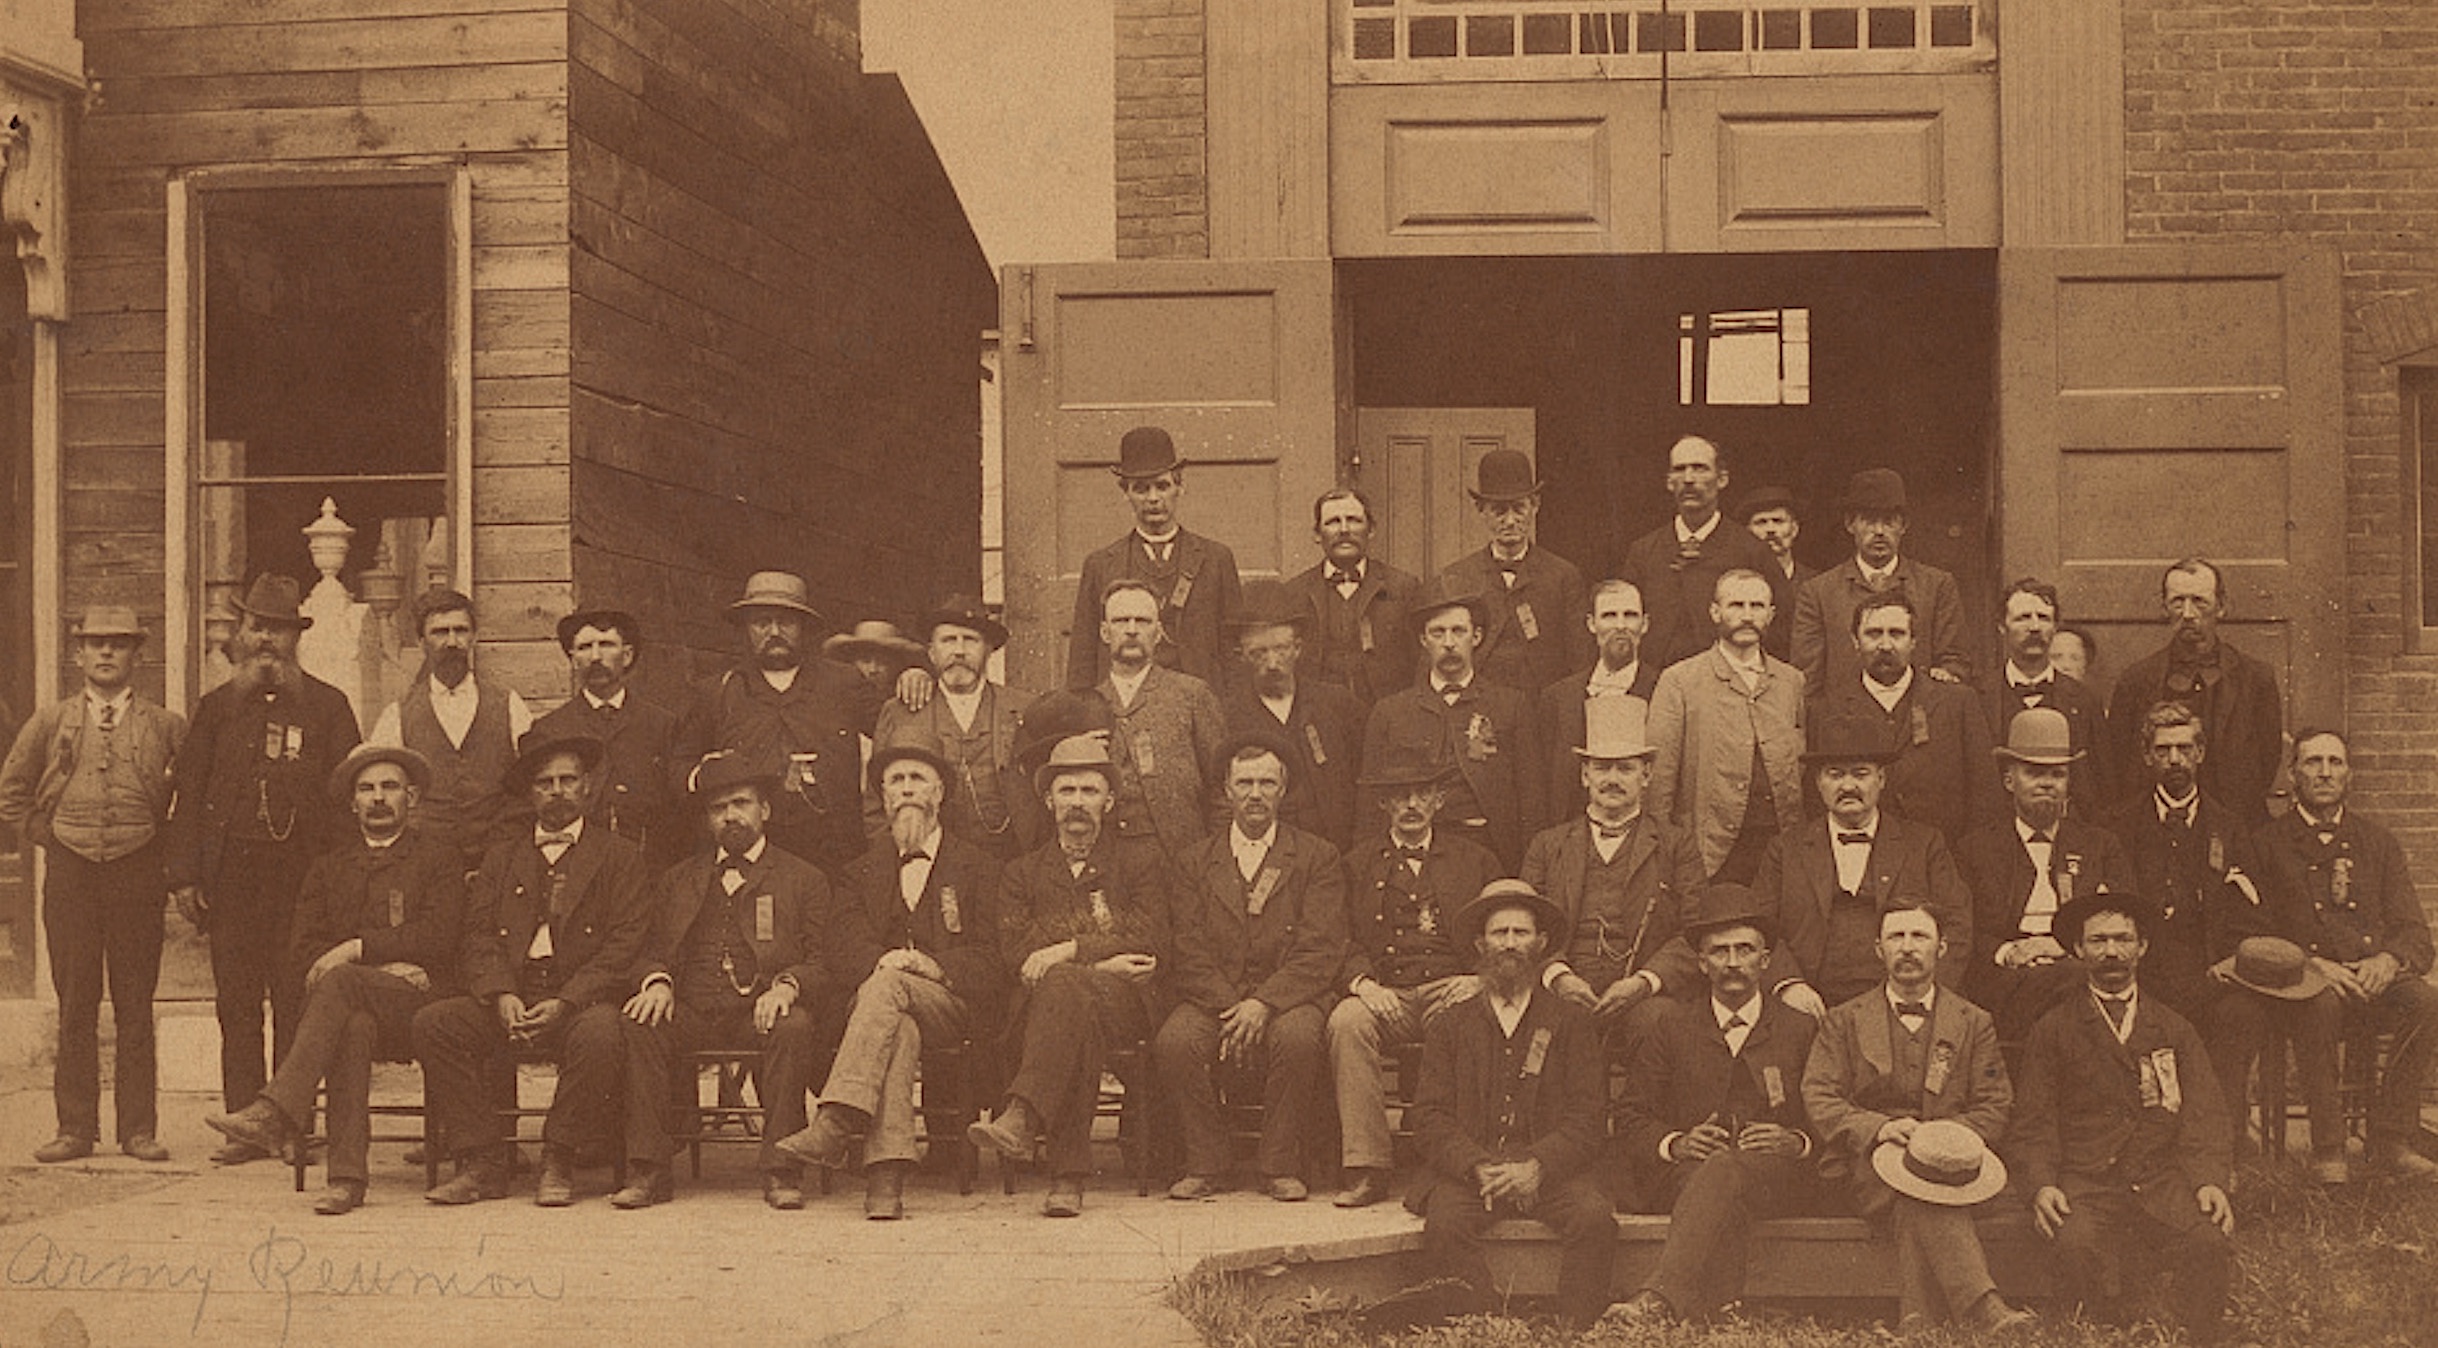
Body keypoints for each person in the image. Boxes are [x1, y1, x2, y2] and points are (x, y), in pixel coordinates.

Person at [203, 744, 463, 1214]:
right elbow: (302, 952)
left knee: (341, 983)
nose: (378, 798)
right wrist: (373, 966)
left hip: (422, 1008)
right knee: (351, 1022)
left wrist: (358, 949)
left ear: (413, 797)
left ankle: (278, 1111)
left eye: (390, 787)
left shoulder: (438, 858)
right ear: (352, 803)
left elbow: (442, 936)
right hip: (351, 1006)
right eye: (366, 789)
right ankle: (346, 1180)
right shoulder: (328, 867)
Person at [167, 574, 363, 1164]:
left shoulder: (329, 706)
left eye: (278, 629)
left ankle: (292, 1124)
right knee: (237, 1001)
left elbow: (351, 797)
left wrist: (345, 883)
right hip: (232, 880)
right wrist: (184, 875)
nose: (268, 640)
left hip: (304, 881)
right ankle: (243, 1125)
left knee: (296, 998)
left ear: (295, 637)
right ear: (243, 634)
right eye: (259, 627)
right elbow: (189, 792)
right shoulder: (215, 709)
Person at [414, 735, 653, 1206]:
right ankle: (484, 1159)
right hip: (513, 997)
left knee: (604, 1032)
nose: (557, 790)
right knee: (434, 1024)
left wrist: (567, 1000)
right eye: (545, 783)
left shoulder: (620, 856)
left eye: (568, 781)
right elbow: (477, 935)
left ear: (588, 787)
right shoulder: (502, 857)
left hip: (578, 1000)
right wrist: (501, 993)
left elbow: (625, 943)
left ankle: (559, 1156)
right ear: (530, 794)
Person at [2106, 703, 2341, 1178]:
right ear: (2147, 757)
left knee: (2242, 1014)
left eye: (2184, 748)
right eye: (2163, 749)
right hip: (2144, 971)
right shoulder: (2120, 825)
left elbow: (2249, 913)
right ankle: (2142, 1149)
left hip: (2214, 973)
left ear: (2201, 753)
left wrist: (2231, 963)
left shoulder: (2230, 826)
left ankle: (2224, 1148)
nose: (2174, 759)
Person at [776, 736, 1006, 1219]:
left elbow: (992, 958)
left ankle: (837, 1118)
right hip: (882, 1007)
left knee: (889, 987)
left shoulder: (979, 867)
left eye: (917, 779)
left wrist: (930, 966)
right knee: (895, 1021)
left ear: (939, 793)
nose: (906, 791)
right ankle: (885, 1177)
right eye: (895, 782)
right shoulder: (858, 871)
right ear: (882, 798)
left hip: (951, 1005)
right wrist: (889, 964)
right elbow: (843, 951)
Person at [616, 750, 841, 1211]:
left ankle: (781, 1167)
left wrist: (788, 985)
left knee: (792, 1026)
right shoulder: (678, 879)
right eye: (719, 809)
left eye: (741, 803)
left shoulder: (804, 879)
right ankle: (649, 1169)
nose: (730, 817)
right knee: (641, 1020)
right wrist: (656, 981)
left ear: (766, 811)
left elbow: (824, 963)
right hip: (693, 1009)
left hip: (760, 1011)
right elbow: (649, 951)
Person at [1, 606, 185, 1164]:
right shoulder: (50, 722)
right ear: (78, 654)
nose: (107, 653)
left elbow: (195, 801)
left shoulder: (165, 725)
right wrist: (50, 836)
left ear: (138, 655)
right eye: (96, 644)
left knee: (135, 1002)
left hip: (138, 873)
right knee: (75, 1001)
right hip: (72, 875)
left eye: (119, 644)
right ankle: (75, 1129)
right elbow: (11, 792)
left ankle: (139, 1130)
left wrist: (165, 847)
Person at [2013, 892, 2236, 1343]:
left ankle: (2195, 1331)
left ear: (2142, 948)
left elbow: (2205, 1112)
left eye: (2122, 939)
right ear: (2078, 951)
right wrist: (2042, 1184)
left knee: (2209, 1242)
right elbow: (2033, 1121)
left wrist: (2209, 1179)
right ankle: (2103, 1326)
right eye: (2098, 941)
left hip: (2159, 1177)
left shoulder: (2173, 1028)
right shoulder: (2053, 1029)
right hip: (2085, 1179)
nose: (2111, 951)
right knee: (2073, 1246)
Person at [968, 732, 1173, 1218]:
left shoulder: (1139, 862)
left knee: (1063, 985)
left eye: (1089, 791)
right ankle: (1067, 1176)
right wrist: (1101, 960)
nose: (1077, 803)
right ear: (1047, 799)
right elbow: (1016, 949)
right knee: (1070, 1004)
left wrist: (1071, 948)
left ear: (1109, 799)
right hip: (1045, 1007)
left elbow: (1151, 934)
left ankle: (1023, 1115)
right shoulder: (1022, 872)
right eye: (1066, 791)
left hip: (1127, 1004)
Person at [1802, 904, 2031, 1334]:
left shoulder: (1974, 1021)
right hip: (1864, 1164)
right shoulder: (1844, 1020)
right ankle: (1984, 1306)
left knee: (1919, 1188)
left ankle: (1917, 1322)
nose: (1908, 948)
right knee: (1912, 1187)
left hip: (1950, 1162)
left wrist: (1943, 1140)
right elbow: (1820, 1096)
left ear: (1941, 948)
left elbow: (1994, 1103)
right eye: (1897, 937)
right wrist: (1880, 1129)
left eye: (1920, 937)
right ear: (1878, 949)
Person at [1403, 879, 1617, 1330]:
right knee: (1444, 1225)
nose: (1510, 945)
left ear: (1540, 944)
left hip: (1549, 1172)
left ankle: (1575, 1328)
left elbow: (1588, 1115)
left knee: (1594, 1219)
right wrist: (1477, 1166)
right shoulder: (1449, 1025)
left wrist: (1538, 1165)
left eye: (1521, 934)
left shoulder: (1572, 1022)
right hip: (1473, 1173)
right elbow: (1429, 1116)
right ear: (1481, 944)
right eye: (1500, 934)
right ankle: (1484, 1325)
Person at [1610, 885, 1822, 1325]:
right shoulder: (1670, 1027)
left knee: (1728, 1170)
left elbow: (1830, 1114)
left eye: (1745, 950)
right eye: (1719, 951)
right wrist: (1675, 1142)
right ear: (1701, 963)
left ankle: (1658, 1297)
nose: (1732, 962)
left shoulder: (1800, 1030)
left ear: (1765, 960)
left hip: (1778, 1178)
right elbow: (1631, 1115)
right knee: (1719, 1173)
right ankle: (1725, 1307)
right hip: (1686, 1174)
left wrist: (1795, 1141)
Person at [1157, 733, 1346, 1201]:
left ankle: (1279, 1163)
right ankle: (1207, 1161)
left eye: (1267, 782)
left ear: (1284, 790)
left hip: (1289, 996)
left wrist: (1263, 1002)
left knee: (1300, 1038)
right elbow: (1188, 947)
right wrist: (1231, 1005)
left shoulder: (1317, 857)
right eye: (1245, 783)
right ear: (1226, 791)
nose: (1255, 794)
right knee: (1176, 1041)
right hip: (1214, 997)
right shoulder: (1194, 861)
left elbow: (1320, 947)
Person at [2251, 728, 2438, 1178]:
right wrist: (2312, 965)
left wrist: (2387, 961)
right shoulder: (2265, 843)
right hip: (2303, 986)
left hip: (2372, 981)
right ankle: (2328, 1149)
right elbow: (2255, 934)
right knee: (2321, 1003)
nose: (2325, 773)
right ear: (2293, 774)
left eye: (2335, 763)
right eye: (2313, 762)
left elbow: (2414, 931)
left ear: (2349, 774)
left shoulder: (2379, 843)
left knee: (2427, 1002)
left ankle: (2391, 1137)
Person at [1326, 749, 1502, 1209]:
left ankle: (1450, 1160)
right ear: (1384, 805)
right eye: (1399, 796)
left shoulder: (1475, 860)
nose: (1410, 805)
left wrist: (1481, 978)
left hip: (1455, 986)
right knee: (1347, 1022)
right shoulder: (1357, 864)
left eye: (1421, 795)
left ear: (1438, 801)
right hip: (1388, 993)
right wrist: (1364, 986)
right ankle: (1368, 1167)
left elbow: (1502, 929)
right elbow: (1336, 937)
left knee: (1474, 1017)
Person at [672, 571, 892, 874]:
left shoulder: (843, 683)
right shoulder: (719, 691)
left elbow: (897, 735)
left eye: (786, 622)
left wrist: (913, 677)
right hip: (751, 855)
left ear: (804, 628)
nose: (774, 631)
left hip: (834, 854)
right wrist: (705, 774)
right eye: (762, 622)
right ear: (747, 629)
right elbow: (679, 765)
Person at [1753, 713, 1973, 1011]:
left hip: (1902, 997)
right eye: (1835, 774)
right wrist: (1789, 984)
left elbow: (1957, 924)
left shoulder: (1924, 844)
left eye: (1860, 773)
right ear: (1818, 782)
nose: (1848, 786)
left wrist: (1923, 993)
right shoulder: (1785, 850)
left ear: (1881, 779)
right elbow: (1760, 929)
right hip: (1810, 1001)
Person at [1522, 694, 1713, 1032]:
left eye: (1626, 768)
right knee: (1543, 1023)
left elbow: (1696, 931)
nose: (1613, 779)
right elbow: (1525, 926)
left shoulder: (1676, 843)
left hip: (1643, 996)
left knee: (1660, 1022)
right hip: (1563, 991)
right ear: (1584, 775)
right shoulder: (1547, 844)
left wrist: (1644, 981)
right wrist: (1559, 976)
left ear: (1646, 775)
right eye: (1602, 767)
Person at [1955, 707, 2135, 1047]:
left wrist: (2064, 946)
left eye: (2057, 775)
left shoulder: (2100, 846)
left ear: (2069, 783)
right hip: (2006, 979)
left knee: (2081, 980)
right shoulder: (1975, 850)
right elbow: (1963, 929)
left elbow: (2126, 919)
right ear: (2010, 780)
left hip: (2079, 966)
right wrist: (2009, 951)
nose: (2046, 784)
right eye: (2033, 773)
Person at [1361, 581, 1546, 871]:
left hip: (1489, 849)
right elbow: (1369, 806)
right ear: (1424, 640)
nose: (1449, 642)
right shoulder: (1391, 711)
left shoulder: (1511, 706)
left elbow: (1531, 802)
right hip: (1413, 849)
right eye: (1438, 632)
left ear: (1476, 636)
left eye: (1458, 631)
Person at [1647, 568, 1805, 885]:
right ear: (1715, 611)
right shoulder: (1680, 680)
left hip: (1779, 847)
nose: (1747, 616)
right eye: (1736, 606)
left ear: (1771, 614)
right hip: (1710, 850)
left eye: (1757, 607)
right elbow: (1659, 778)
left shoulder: (1791, 681)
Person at [1805, 591, 2000, 847]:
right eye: (1873, 634)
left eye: (1896, 634)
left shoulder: (1958, 703)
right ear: (1855, 641)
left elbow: (1985, 794)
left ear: (1914, 641)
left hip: (1946, 859)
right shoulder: (1827, 709)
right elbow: (1815, 798)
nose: (1885, 645)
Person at [1066, 425, 1242, 690]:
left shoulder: (1216, 559)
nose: (1153, 498)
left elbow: (1234, 648)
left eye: (1162, 486)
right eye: (1141, 488)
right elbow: (1083, 656)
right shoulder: (1100, 565)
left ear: (1179, 487)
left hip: (1199, 705)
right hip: (1124, 707)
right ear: (1125, 492)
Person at [368, 587, 534, 868]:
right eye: (440, 632)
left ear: (474, 637)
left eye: (460, 631)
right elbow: (381, 789)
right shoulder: (397, 714)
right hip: (426, 862)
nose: (452, 641)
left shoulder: (509, 705)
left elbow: (532, 778)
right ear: (422, 641)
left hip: (500, 858)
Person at [2106, 558, 2283, 821]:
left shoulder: (2256, 678)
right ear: (2164, 607)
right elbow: (2120, 762)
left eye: (2199, 601)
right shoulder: (2136, 680)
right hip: (2156, 828)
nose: (2188, 613)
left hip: (2238, 826)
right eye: (2178, 601)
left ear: (2221, 607)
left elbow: (2267, 760)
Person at [873, 595, 1039, 861]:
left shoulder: (1023, 707)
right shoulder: (900, 711)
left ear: (988, 650)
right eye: (948, 640)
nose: (959, 651)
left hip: (1009, 858)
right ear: (931, 652)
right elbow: (875, 798)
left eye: (970, 640)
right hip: (930, 858)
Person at [526, 608, 683, 868]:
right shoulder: (549, 729)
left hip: (649, 866)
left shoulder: (662, 724)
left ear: (627, 655)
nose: (596, 657)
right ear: (573, 658)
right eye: (585, 647)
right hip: (577, 869)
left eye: (606, 645)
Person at [1791, 467, 1970, 692]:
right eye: (1868, 521)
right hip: (1844, 721)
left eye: (1889, 521)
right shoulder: (1818, 593)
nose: (1879, 531)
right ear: (1850, 524)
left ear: (1903, 526)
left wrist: (1946, 675)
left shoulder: (1936, 586)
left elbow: (1955, 662)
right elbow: (1808, 680)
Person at [1219, 580, 1363, 852]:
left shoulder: (1338, 704)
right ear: (1241, 656)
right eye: (1259, 653)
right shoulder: (1227, 717)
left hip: (1338, 853)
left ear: (1298, 648)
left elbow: (1365, 785)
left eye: (1281, 649)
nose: (1272, 663)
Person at [1434, 448, 1590, 695]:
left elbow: (1581, 659)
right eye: (1499, 510)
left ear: (1535, 506)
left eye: (1518, 508)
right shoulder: (1456, 578)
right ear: (1481, 510)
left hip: (1543, 710)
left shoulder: (1563, 576)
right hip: (1479, 708)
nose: (1509, 521)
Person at [1094, 579, 1230, 856]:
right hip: (1109, 860)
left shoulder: (1192, 695)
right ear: (1105, 632)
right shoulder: (1085, 704)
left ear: (1158, 633)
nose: (1132, 630)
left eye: (1143, 621)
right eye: (1121, 621)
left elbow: (1222, 789)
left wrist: (1212, 860)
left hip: (1179, 858)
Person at [1618, 435, 1777, 672]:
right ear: (1669, 482)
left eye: (1700, 468)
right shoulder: (1643, 552)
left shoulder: (1751, 551)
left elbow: (1779, 629)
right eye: (1679, 470)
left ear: (1722, 479)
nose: (1689, 479)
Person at [1281, 486, 1422, 714]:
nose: (1344, 530)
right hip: (1318, 716)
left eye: (1354, 520)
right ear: (1317, 534)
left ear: (1371, 529)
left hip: (1386, 715)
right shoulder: (1294, 593)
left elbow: (1421, 660)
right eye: (1333, 522)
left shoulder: (1403, 587)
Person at [1982, 579, 2105, 820]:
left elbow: (2101, 783)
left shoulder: (2084, 700)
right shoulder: (1975, 696)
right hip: (1994, 837)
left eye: (2044, 618)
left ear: (2056, 627)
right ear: (2001, 626)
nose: (2035, 627)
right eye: (2023, 618)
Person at [1537, 578, 1659, 819]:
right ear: (1592, 624)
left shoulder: (1664, 689)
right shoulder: (1558, 698)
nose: (1621, 625)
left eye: (1630, 615)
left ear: (1644, 624)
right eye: (1609, 616)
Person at [1737, 484, 1812, 662]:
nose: (1770, 529)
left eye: (1778, 521)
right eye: (1761, 522)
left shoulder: (1816, 583)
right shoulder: (1737, 585)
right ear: (1747, 532)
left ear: (1794, 529)